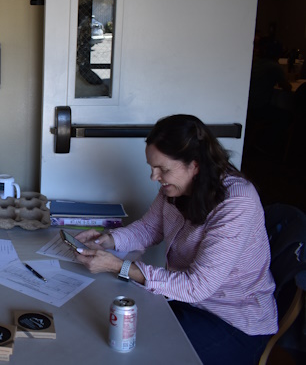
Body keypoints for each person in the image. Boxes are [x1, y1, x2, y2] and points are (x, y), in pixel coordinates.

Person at [74, 114, 277, 365]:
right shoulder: (175, 189)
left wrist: (119, 266)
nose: (154, 177)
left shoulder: (237, 203)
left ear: (195, 164)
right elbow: (149, 229)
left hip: (234, 321)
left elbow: (197, 286)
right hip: (187, 305)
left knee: (145, 355)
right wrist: (108, 240)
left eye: (163, 169)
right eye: (152, 167)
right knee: (117, 336)